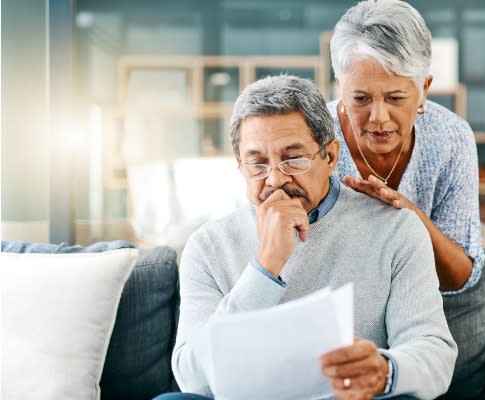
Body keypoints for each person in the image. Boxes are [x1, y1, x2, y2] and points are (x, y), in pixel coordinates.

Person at [159, 75, 457, 400]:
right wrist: (265, 266)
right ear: (240, 166)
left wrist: (385, 371)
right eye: (257, 163)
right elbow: (193, 379)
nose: (275, 179)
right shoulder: (208, 246)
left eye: (293, 158)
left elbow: (435, 355)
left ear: (329, 157)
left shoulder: (395, 229)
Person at [328, 1, 485, 398]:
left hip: (420, 334)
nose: (379, 118)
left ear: (424, 89)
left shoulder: (451, 139)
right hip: (342, 325)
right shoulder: (316, 136)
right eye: (362, 98)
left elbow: (460, 277)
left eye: (396, 98)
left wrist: (406, 214)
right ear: (340, 86)